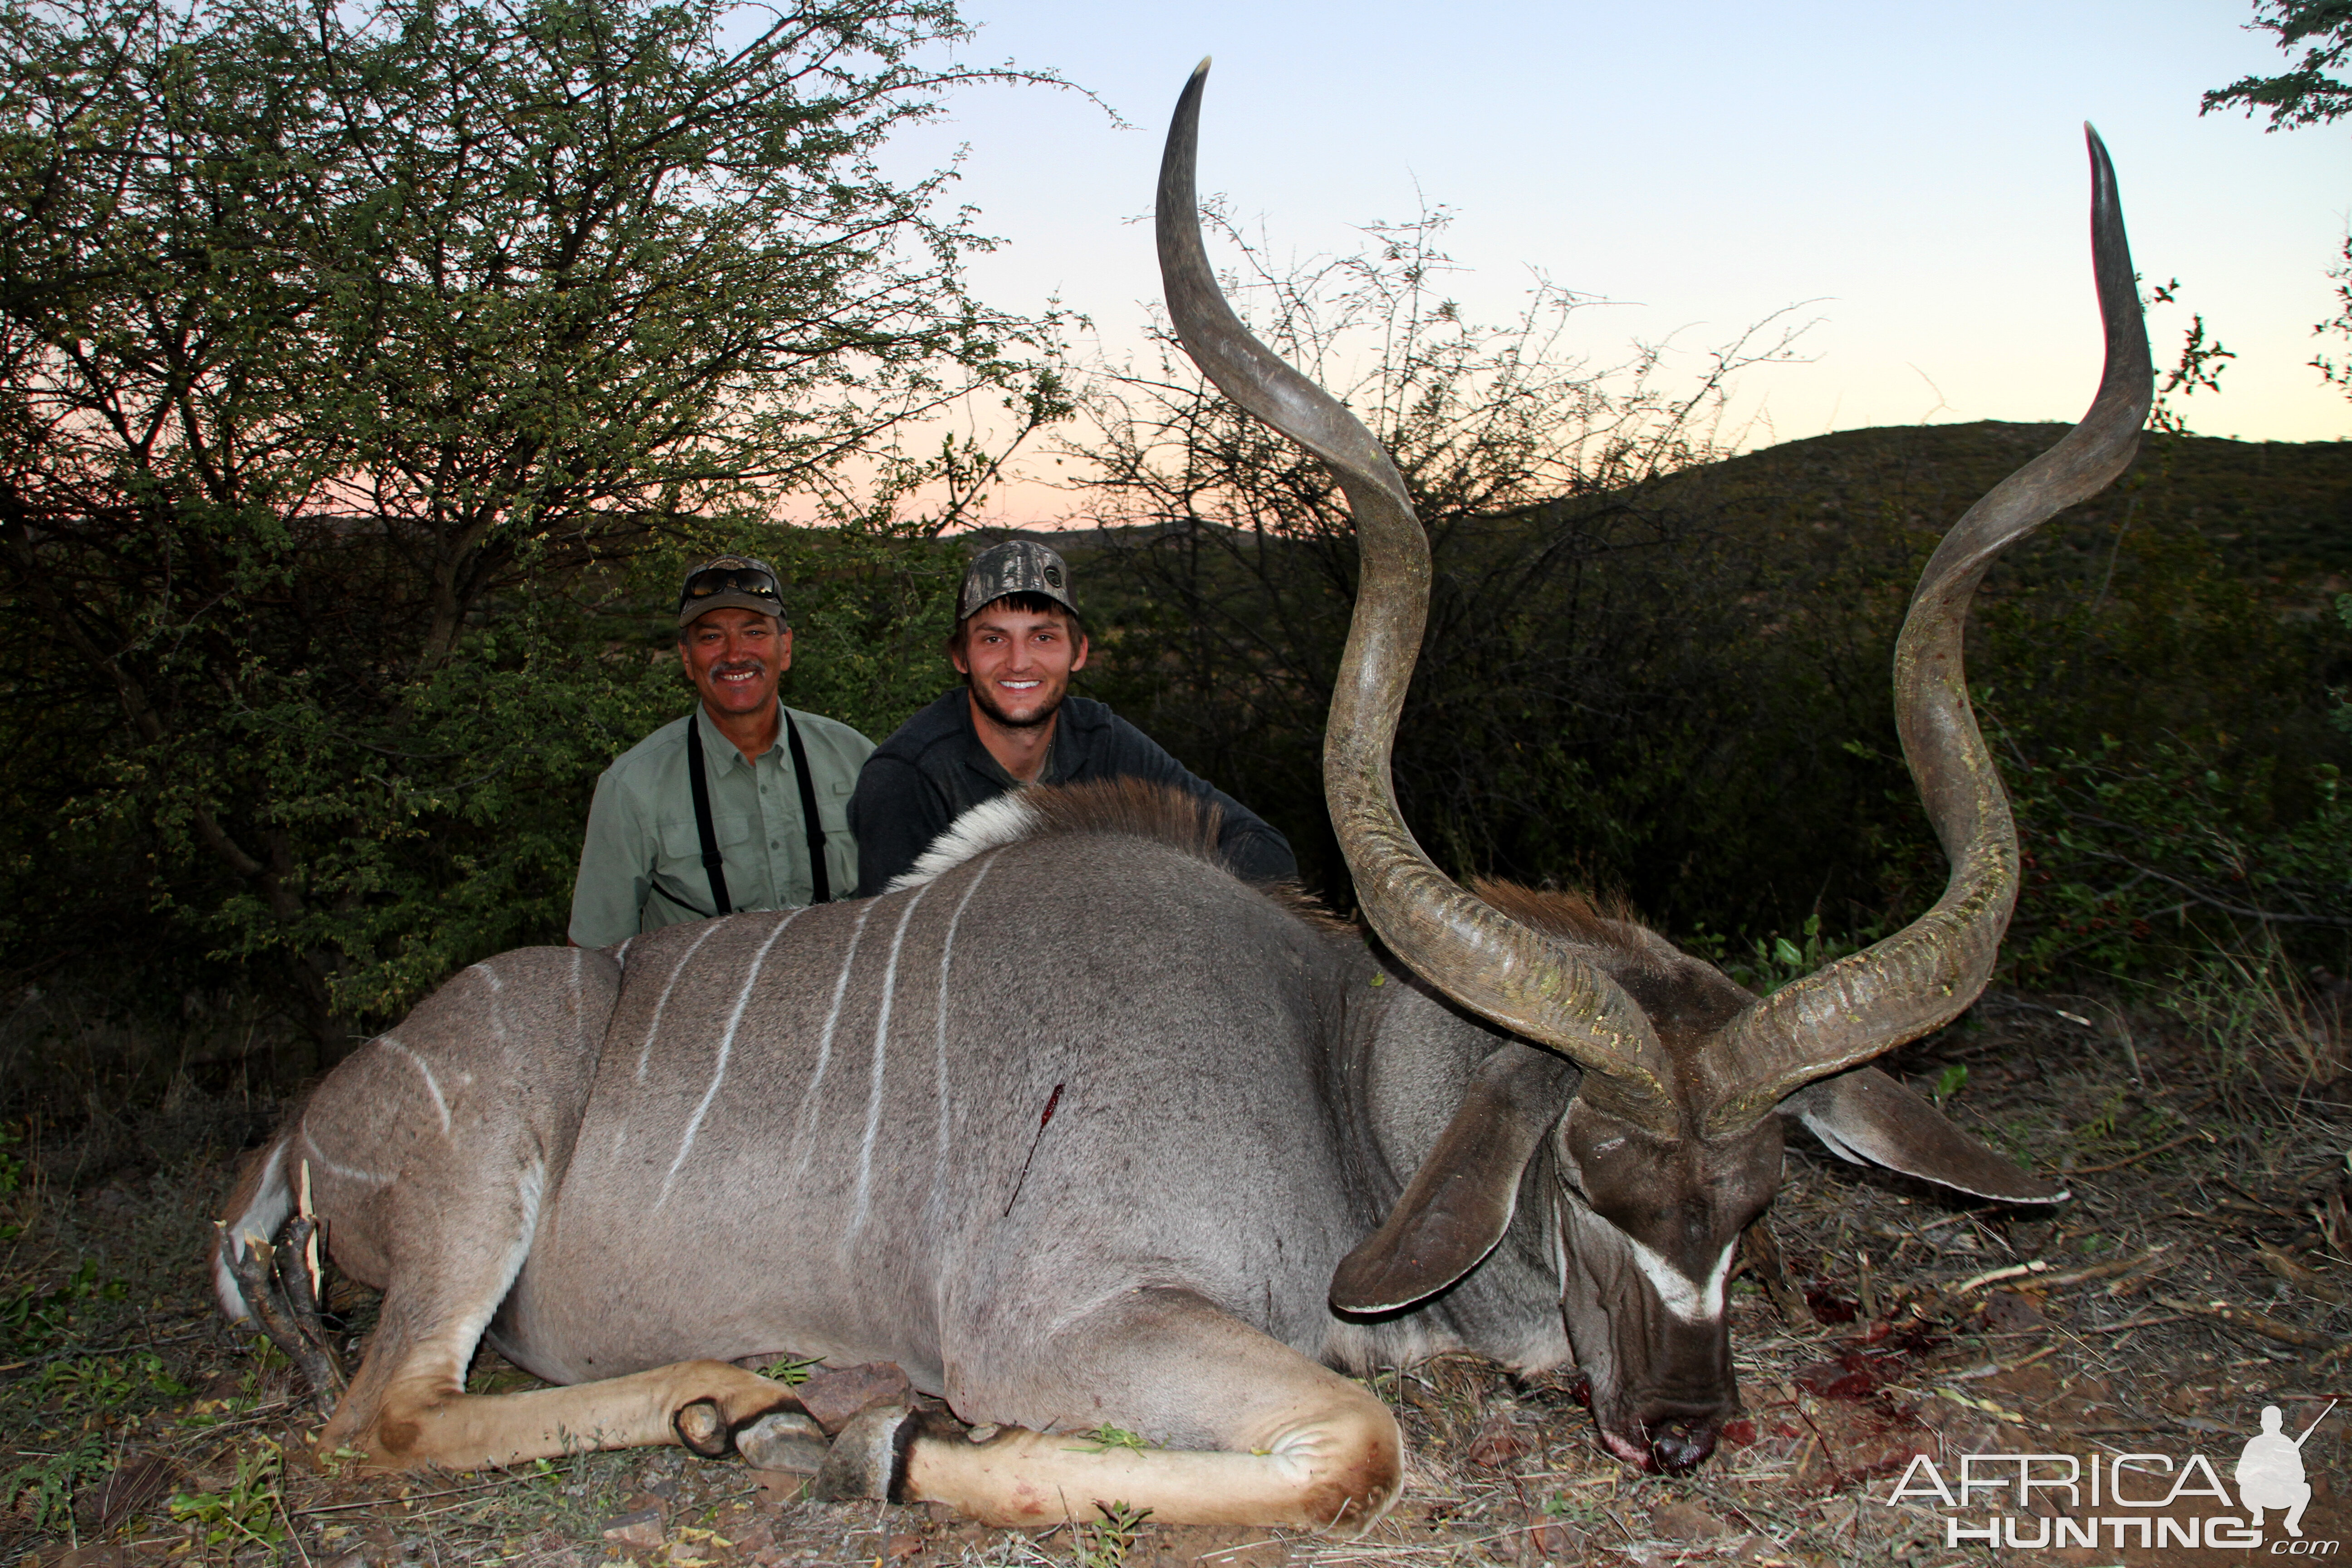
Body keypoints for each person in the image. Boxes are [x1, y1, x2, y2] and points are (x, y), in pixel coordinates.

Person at [850, 539, 1296, 895]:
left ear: (1079, 652)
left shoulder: (1101, 738)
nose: (1019, 662)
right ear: (961, 657)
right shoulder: (906, 777)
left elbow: (1264, 851)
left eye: (1043, 637)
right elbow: (897, 956)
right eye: (993, 640)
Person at [568, 554, 873, 947]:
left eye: (754, 633)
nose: (734, 655)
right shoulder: (631, 788)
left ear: (785, 648)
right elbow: (594, 955)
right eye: (711, 637)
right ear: (686, 657)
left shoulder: (857, 758)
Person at [2235, 1404, 2313, 1537]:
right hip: (2259, 1494)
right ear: (2262, 1424)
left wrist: (2284, 1473)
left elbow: (2300, 1476)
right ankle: (2258, 1513)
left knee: (2305, 1489)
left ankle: (2292, 1522)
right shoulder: (2255, 1444)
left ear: (2280, 1423)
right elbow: (2241, 1475)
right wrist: (2260, 1471)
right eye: (2268, 1421)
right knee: (2245, 1487)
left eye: (2274, 1421)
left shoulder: (2288, 1444)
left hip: (2282, 1494)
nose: (2271, 1425)